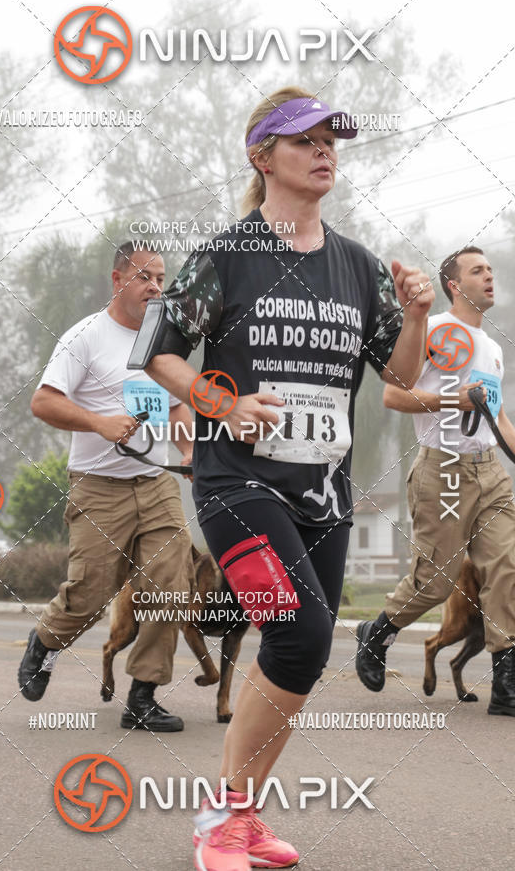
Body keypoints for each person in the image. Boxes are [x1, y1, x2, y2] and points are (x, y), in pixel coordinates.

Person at [128, 87, 434, 871]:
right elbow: (159, 352)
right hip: (237, 485)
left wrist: (416, 316)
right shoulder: (226, 255)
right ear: (263, 156)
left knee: (299, 655)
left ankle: (243, 814)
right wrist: (220, 403)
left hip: (322, 493)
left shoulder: (358, 265)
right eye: (306, 140)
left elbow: (399, 376)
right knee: (299, 633)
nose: (325, 151)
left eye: (332, 140)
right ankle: (220, 822)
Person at [17, 242, 195, 733]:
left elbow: (177, 405)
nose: (155, 287)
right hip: (98, 487)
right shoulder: (86, 337)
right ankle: (45, 641)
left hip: (156, 483)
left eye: (160, 278)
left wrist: (188, 451)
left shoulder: (163, 340)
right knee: (91, 592)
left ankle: (143, 696)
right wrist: (99, 423)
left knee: (172, 587)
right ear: (117, 281)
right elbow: (43, 402)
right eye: (144, 277)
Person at [355, 246, 515, 716]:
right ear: (454, 285)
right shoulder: (433, 330)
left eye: (490, 269)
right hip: (443, 468)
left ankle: (506, 682)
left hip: (491, 470)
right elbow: (393, 397)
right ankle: (377, 632)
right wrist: (453, 400)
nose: (489, 276)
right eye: (477, 271)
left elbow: (500, 418)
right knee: (437, 582)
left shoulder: (493, 349)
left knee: (506, 569)